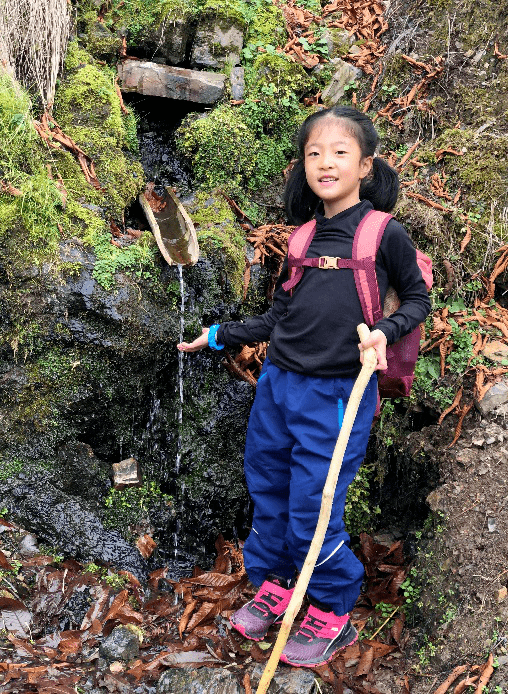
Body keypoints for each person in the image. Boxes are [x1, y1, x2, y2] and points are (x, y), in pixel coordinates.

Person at [177, 105, 431, 668]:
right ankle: (278, 584)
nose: (325, 162)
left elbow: (417, 299)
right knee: (268, 487)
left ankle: (332, 608)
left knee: (314, 505)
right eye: (314, 152)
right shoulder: (302, 239)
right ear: (302, 166)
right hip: (278, 385)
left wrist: (384, 332)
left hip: (339, 392)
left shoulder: (382, 234)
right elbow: (278, 318)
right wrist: (219, 335)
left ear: (365, 165)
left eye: (340, 152)